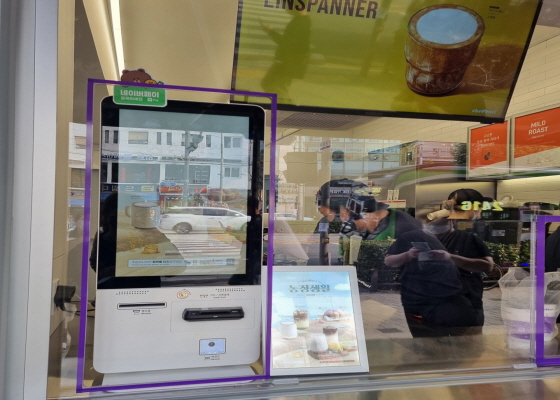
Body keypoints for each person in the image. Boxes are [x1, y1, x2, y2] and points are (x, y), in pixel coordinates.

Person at [385, 221, 479, 336]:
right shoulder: (410, 237)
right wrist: (408, 255)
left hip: (452, 298)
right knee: (427, 342)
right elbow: (389, 261)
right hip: (419, 301)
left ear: (452, 222)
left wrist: (451, 257)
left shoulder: (463, 238)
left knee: (463, 340)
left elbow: (485, 265)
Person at [429, 189, 494, 326]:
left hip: (463, 301)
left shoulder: (468, 236)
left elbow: (488, 265)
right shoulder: (431, 239)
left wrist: (450, 258)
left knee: (467, 336)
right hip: (440, 303)